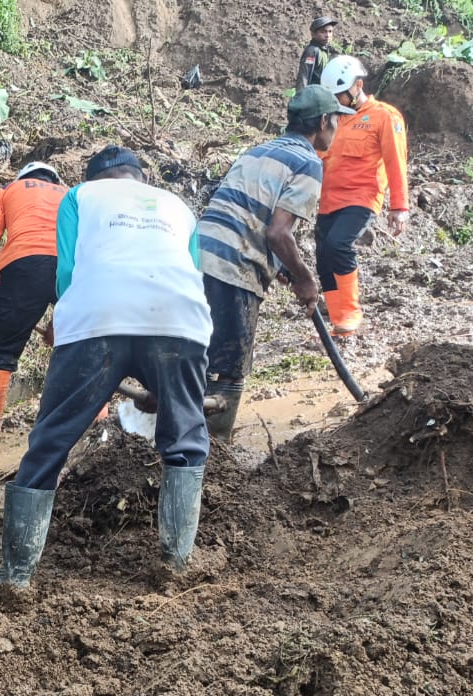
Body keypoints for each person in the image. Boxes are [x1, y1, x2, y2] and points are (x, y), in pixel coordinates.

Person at [0, 146, 212, 592]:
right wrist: (161, 384)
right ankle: (175, 564)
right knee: (186, 440)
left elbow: (68, 272)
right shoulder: (178, 207)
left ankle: (15, 577)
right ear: (140, 178)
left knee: (51, 440)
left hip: (96, 319)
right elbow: (191, 272)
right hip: (180, 321)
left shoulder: (79, 197)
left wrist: (67, 322)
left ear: (94, 177)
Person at [200, 85, 353, 439]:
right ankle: (211, 456)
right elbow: (278, 234)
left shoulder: (259, 151)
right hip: (233, 267)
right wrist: (304, 278)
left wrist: (281, 266)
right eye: (336, 122)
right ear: (324, 122)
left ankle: (175, 445)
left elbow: (249, 212)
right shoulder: (308, 162)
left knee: (199, 360)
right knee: (229, 372)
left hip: (197, 256)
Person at [0, 160, 68, 437]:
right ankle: (96, 421)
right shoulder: (70, 194)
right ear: (55, 179)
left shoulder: (9, 190)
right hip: (70, 269)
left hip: (23, 267)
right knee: (81, 344)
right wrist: (58, 322)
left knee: (3, 352)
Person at [316, 55, 410, 335]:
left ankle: (351, 313)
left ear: (357, 86)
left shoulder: (384, 116)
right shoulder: (334, 120)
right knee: (323, 254)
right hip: (329, 198)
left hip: (361, 196)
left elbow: (396, 161)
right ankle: (338, 318)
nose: (337, 101)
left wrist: (399, 206)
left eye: (340, 95)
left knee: (338, 245)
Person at [295, 16, 339, 89]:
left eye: (330, 31)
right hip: (313, 94)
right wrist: (302, 97)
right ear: (313, 34)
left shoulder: (324, 50)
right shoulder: (312, 51)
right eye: (323, 32)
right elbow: (304, 76)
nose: (327, 35)